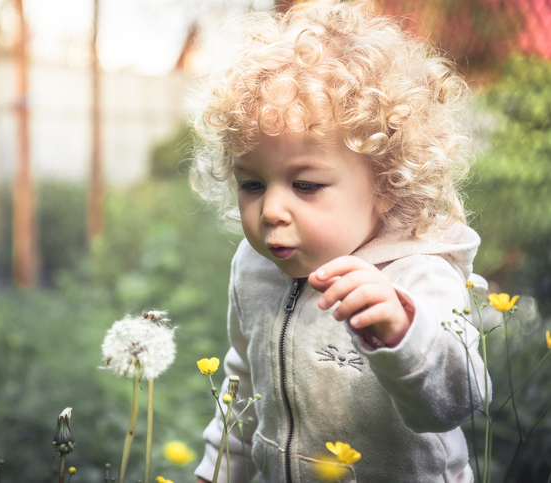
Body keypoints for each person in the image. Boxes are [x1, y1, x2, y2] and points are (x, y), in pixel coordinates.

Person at [188, 1, 489, 481]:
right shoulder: (254, 267)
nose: (271, 211)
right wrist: (216, 470)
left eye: (306, 185)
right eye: (252, 183)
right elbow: (243, 381)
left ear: (387, 184)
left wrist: (402, 331)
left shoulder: (417, 276)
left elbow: (458, 402)